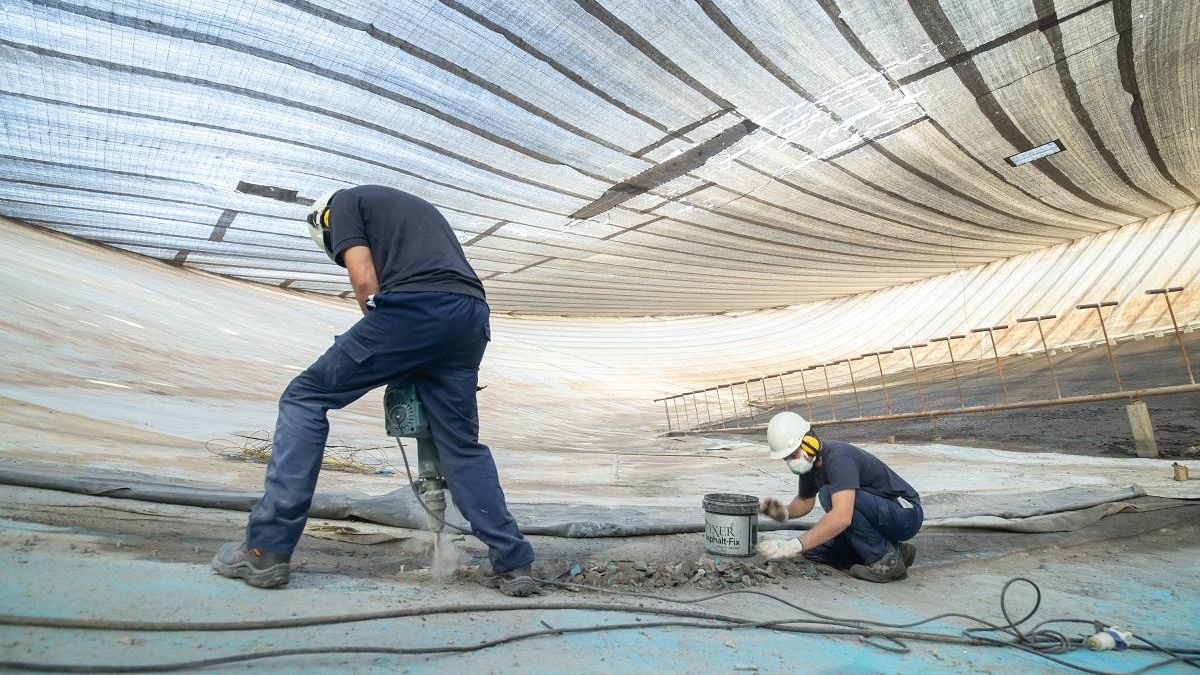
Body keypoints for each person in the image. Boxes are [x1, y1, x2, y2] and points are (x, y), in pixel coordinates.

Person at [212, 185, 536, 596]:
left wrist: (385, 338)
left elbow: (365, 281)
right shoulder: (413, 211)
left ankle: (266, 549)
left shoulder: (341, 204)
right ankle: (513, 561)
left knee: (305, 397)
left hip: (417, 310)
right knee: (460, 444)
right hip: (470, 317)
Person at [755, 411, 922, 582]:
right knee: (814, 550)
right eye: (786, 458)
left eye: (792, 455)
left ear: (809, 442)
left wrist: (792, 545)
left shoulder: (839, 457)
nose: (790, 462)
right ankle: (898, 550)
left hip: (904, 514)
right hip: (881, 515)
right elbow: (805, 501)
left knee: (829, 496)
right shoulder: (809, 465)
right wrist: (783, 513)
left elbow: (842, 517)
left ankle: (886, 561)